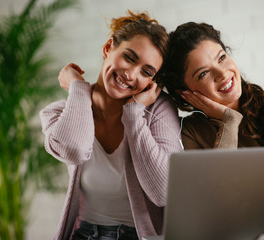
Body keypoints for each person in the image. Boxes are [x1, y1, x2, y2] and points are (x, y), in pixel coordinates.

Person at [40, 11, 182, 240]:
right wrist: (78, 87)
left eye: (146, 72)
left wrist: (134, 113)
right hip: (83, 234)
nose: (130, 74)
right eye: (129, 57)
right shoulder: (57, 113)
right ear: (108, 48)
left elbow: (163, 192)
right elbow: (73, 150)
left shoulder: (158, 111)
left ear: (151, 82)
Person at [162, 22, 264, 202]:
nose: (222, 73)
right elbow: (214, 203)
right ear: (185, 93)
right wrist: (229, 122)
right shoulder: (190, 132)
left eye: (221, 58)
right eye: (203, 73)